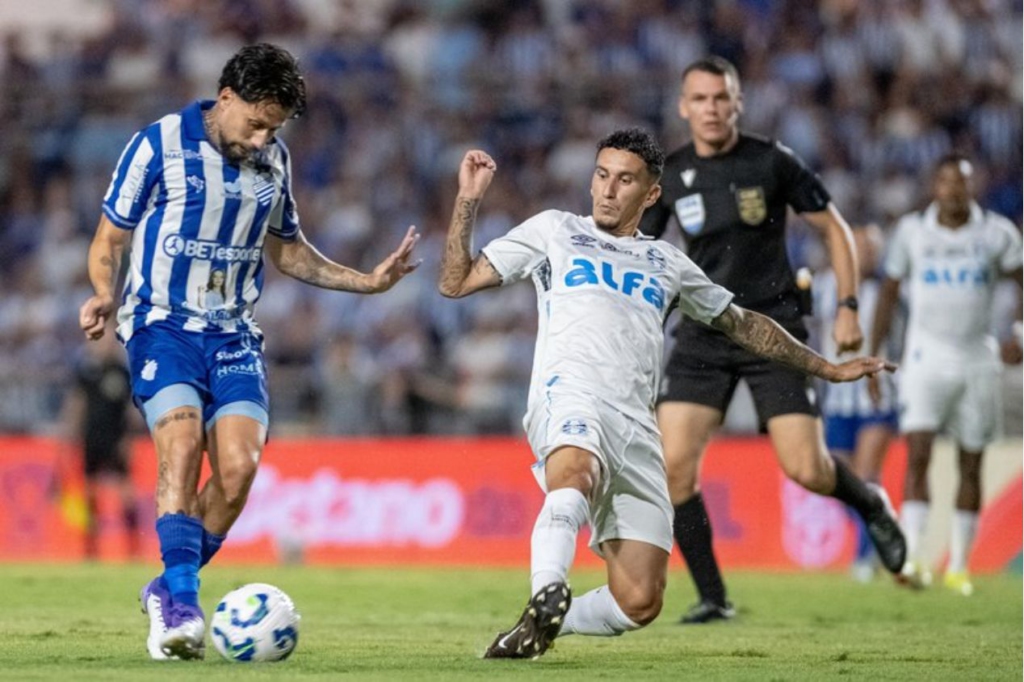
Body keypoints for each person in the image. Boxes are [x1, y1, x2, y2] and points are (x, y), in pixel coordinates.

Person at [437, 128, 894, 660]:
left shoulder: (669, 264)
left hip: (637, 426)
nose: (608, 190)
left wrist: (827, 369)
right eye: (602, 175)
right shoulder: (554, 231)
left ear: (652, 194)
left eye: (625, 179)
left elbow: (745, 325)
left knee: (640, 600)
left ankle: (540, 625)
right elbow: (455, 282)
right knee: (575, 473)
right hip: (571, 395)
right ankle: (547, 586)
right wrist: (468, 201)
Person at [78, 43, 420, 661]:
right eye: (256, 122)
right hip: (163, 328)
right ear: (225, 97)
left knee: (236, 474)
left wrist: (365, 281)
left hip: (234, 334)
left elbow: (288, 251)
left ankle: (165, 587)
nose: (263, 138)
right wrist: (104, 294)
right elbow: (110, 237)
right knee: (179, 446)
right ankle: (182, 607)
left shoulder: (274, 163)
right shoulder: (156, 145)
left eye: (274, 128)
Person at [639, 56, 906, 624]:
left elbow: (834, 228)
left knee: (806, 469)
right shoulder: (672, 174)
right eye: (701, 99)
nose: (711, 109)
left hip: (774, 330)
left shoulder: (771, 160)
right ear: (684, 107)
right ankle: (713, 596)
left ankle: (872, 504)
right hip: (703, 333)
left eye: (721, 98)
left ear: (738, 102)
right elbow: (640, 256)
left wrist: (849, 307)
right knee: (675, 469)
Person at [868, 155, 1023, 596]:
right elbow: (888, 292)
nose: (952, 190)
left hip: (978, 360)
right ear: (934, 186)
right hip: (925, 359)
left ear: (973, 188)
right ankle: (914, 558)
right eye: (945, 182)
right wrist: (876, 354)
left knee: (970, 463)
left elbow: (1021, 280)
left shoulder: (997, 233)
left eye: (961, 183)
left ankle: (958, 565)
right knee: (918, 455)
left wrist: (1019, 334)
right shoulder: (913, 233)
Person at [814, 225, 899, 582]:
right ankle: (883, 526)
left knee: (866, 477)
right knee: (841, 485)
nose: (865, 254)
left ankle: (864, 559)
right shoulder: (822, 286)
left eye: (871, 249)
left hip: (877, 396)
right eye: (859, 247)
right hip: (837, 397)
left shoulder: (888, 291)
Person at [62, 328, 139, 560]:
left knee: (125, 493)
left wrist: (130, 438)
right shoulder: (86, 371)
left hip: (116, 439)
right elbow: (77, 402)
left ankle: (133, 547)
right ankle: (91, 548)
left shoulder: (122, 372)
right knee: (89, 493)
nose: (103, 346)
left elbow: (130, 408)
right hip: (91, 438)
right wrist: (69, 432)